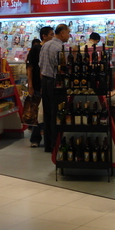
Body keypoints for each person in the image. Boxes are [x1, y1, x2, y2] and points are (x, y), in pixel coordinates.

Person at [38, 23, 70, 153]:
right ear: (62, 33)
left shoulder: (45, 45)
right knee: (57, 113)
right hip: (56, 82)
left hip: (45, 81)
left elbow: (40, 65)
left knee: (48, 113)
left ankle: (48, 145)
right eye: (68, 33)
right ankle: (56, 143)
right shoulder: (60, 48)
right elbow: (64, 67)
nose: (69, 35)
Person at [26, 26, 54, 147]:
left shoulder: (48, 48)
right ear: (44, 36)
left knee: (45, 111)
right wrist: (31, 85)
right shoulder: (36, 49)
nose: (53, 37)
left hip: (46, 84)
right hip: (38, 85)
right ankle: (35, 139)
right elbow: (30, 68)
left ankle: (45, 136)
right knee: (37, 111)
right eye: (51, 34)